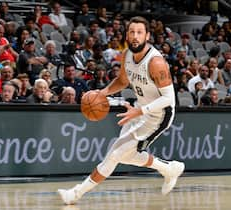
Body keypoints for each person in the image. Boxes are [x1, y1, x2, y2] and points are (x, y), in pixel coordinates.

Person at [58, 16, 185, 205]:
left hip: (159, 115)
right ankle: (168, 168)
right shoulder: (126, 55)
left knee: (116, 154)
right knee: (124, 155)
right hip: (139, 108)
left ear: (147, 36)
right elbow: (123, 81)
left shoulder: (155, 63)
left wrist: (140, 112)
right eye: (132, 32)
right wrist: (102, 93)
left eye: (139, 32)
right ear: (127, 34)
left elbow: (169, 99)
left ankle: (75, 194)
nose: (135, 36)